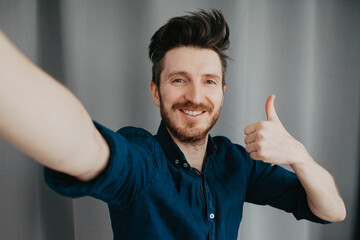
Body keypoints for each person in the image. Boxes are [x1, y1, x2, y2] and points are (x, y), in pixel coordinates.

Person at [0, 9, 345, 240]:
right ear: (156, 91)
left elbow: (332, 211)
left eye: (209, 81)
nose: (195, 96)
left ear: (222, 92)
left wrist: (298, 156)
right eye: (180, 80)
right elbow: (84, 145)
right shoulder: (142, 159)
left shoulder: (237, 163)